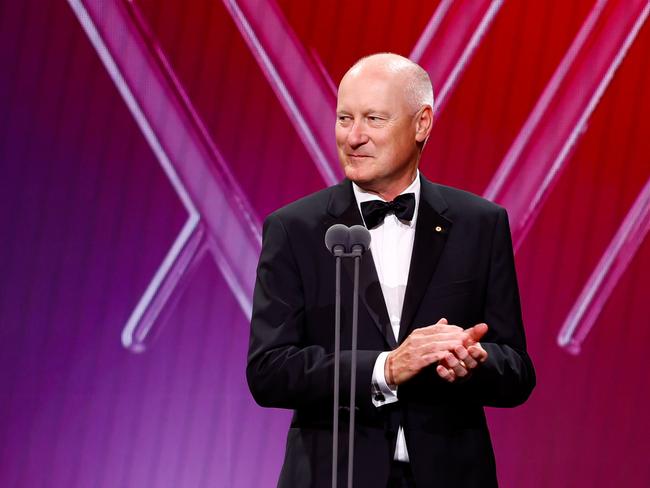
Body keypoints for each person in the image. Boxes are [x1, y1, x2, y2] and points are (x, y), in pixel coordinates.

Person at [247, 52, 535, 488]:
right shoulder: (296, 229)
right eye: (345, 118)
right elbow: (268, 370)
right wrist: (385, 369)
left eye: (373, 119)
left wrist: (472, 362)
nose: (354, 137)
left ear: (422, 123)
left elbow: (516, 371)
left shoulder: (480, 223)